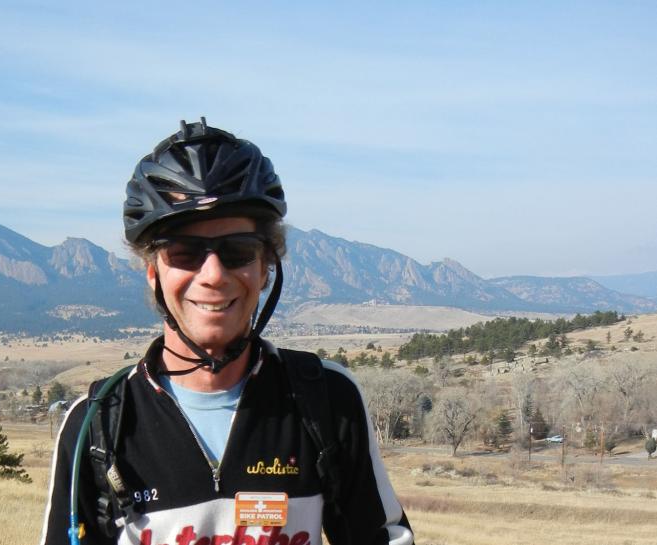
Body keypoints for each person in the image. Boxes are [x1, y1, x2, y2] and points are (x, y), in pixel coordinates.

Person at [41, 119, 414, 545]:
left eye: (237, 251)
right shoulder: (98, 423)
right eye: (184, 253)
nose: (213, 275)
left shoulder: (327, 400)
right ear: (152, 271)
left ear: (266, 266)